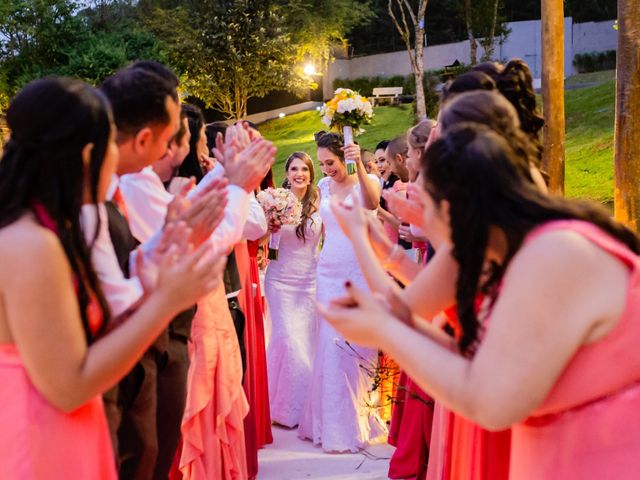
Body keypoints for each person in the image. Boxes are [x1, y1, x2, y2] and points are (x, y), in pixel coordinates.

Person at [322, 123, 640, 480]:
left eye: (428, 205)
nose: (425, 221)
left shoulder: (555, 253)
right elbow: (469, 353)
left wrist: (384, 327)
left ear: (464, 202)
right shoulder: (506, 253)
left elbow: (490, 401)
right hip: (547, 456)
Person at [0, 77, 225, 478]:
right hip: (41, 440)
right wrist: (164, 304)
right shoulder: (28, 242)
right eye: (110, 146)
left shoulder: (52, 226)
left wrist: (156, 258)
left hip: (70, 431)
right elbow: (69, 384)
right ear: (89, 155)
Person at [298, 131, 386, 453]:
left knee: (357, 344)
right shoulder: (322, 187)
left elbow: (372, 203)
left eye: (330, 163)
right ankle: (330, 424)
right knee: (329, 345)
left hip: (358, 271)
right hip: (327, 270)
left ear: (344, 157)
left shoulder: (369, 182)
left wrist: (357, 166)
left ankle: (360, 419)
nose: (325, 169)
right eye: (321, 163)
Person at [264, 152, 322, 428]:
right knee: (287, 339)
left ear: (311, 174)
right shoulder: (275, 200)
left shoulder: (320, 201)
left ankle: (304, 407)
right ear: (286, 173)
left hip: (309, 282)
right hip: (279, 280)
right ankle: (284, 408)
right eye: (294, 168)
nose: (299, 173)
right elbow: (262, 238)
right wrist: (269, 226)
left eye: (305, 169)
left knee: (306, 341)